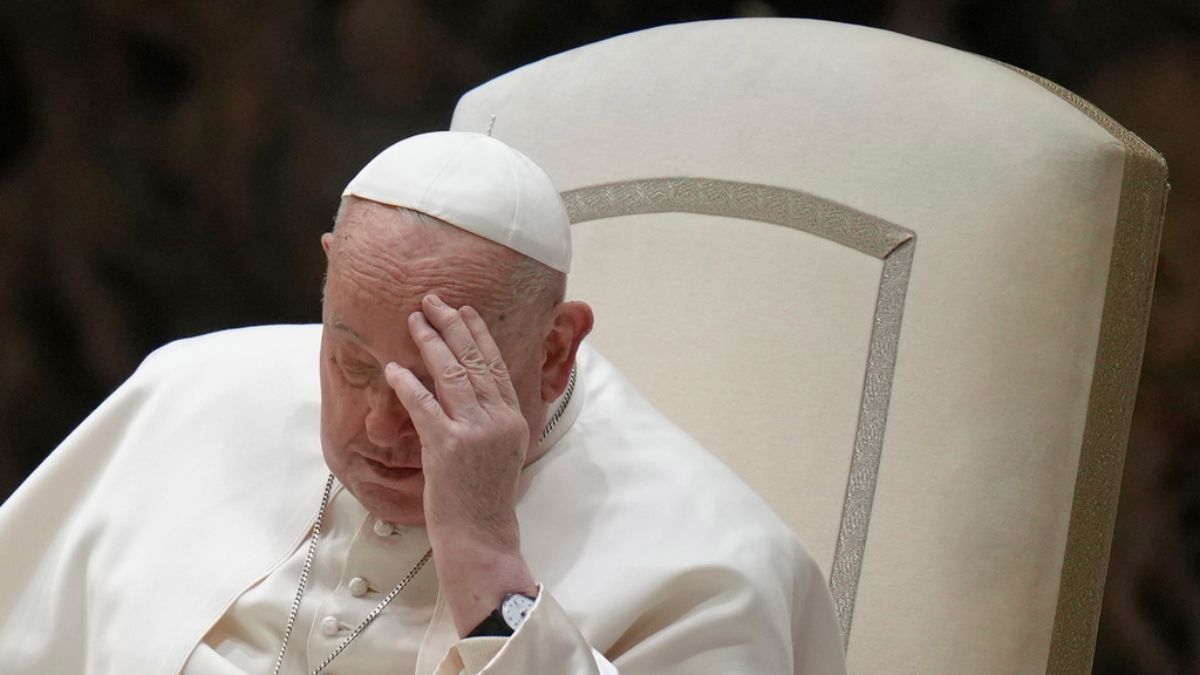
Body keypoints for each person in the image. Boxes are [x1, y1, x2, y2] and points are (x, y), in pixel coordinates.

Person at [0, 132, 846, 673]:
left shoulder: (715, 562)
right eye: (352, 363)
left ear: (554, 349)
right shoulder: (189, 394)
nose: (379, 427)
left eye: (440, 379)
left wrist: (484, 557)